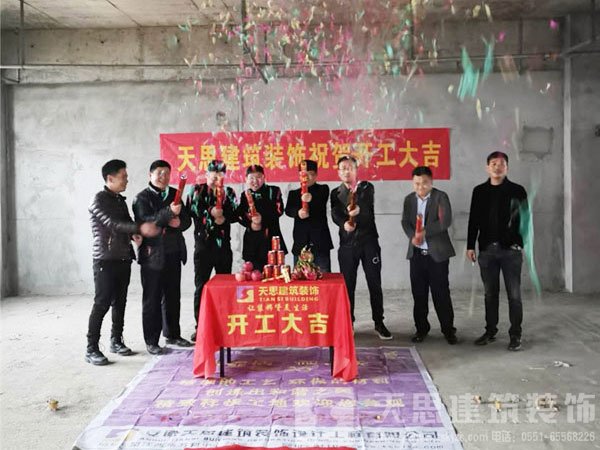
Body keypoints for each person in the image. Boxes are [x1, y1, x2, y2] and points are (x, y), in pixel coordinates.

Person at [86, 159, 159, 366]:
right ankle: (91, 348)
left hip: (123, 257)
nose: (126, 180)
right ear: (110, 178)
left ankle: (116, 340)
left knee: (120, 302)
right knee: (102, 303)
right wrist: (140, 228)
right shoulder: (98, 200)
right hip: (105, 259)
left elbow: (126, 223)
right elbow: (113, 224)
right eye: (123, 177)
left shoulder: (119, 200)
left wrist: (134, 234)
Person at [466, 151, 529, 351]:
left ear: (507, 168)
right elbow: (473, 220)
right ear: (487, 167)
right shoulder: (479, 191)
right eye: (493, 163)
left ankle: (515, 334)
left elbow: (525, 220)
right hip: (487, 250)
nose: (497, 167)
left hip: (510, 251)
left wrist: (520, 244)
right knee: (490, 294)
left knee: (514, 295)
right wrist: (470, 245)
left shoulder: (517, 190)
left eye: (502, 163)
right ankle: (490, 331)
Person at [133, 160, 192, 355]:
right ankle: (151, 341)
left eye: (167, 173)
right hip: (152, 255)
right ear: (150, 175)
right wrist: (169, 213)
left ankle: (173, 334)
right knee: (152, 298)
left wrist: (178, 222)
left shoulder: (176, 195)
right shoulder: (141, 198)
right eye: (159, 173)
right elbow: (146, 222)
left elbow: (187, 221)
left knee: (173, 296)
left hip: (173, 252)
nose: (163, 176)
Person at [330, 155, 392, 340]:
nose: (347, 171)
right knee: (348, 286)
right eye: (343, 168)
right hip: (347, 244)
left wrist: (359, 210)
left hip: (369, 242)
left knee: (374, 283)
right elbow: (335, 213)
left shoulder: (366, 187)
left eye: (350, 167)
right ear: (338, 172)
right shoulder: (335, 192)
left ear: (356, 170)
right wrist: (344, 224)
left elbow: (367, 206)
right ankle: (348, 322)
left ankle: (379, 322)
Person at [401, 166, 457, 345]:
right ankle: (421, 329)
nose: (420, 187)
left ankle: (448, 330)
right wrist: (413, 236)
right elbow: (405, 222)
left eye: (424, 183)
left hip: (437, 255)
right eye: (417, 183)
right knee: (419, 294)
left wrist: (423, 232)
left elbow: (445, 221)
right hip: (417, 255)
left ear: (431, 181)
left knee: (441, 293)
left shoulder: (440, 197)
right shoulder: (409, 200)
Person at [188, 160, 238, 342]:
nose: (217, 179)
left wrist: (224, 216)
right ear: (206, 175)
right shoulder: (196, 190)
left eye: (220, 175)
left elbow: (236, 213)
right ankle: (200, 326)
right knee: (201, 287)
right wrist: (210, 212)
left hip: (223, 247)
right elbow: (192, 209)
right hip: (204, 247)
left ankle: (225, 324)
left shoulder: (229, 192)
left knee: (225, 287)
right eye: (213, 175)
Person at [285, 159, 333, 271]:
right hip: (300, 244)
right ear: (299, 175)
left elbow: (320, 201)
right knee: (300, 278)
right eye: (303, 174)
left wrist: (310, 198)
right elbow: (288, 210)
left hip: (320, 244)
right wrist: (298, 213)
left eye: (310, 174)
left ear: (315, 176)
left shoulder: (323, 189)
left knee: (324, 277)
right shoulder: (293, 193)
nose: (306, 177)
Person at [236, 164, 287, 270]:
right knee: (252, 275)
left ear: (264, 177)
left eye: (258, 177)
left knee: (275, 275)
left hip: (271, 239)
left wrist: (262, 219)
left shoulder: (273, 191)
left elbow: (279, 210)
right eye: (251, 178)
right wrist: (251, 224)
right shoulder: (244, 195)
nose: (255, 181)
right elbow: (239, 215)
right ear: (246, 179)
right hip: (252, 242)